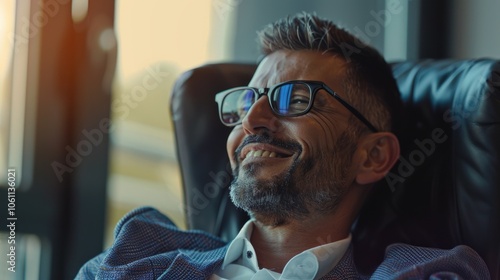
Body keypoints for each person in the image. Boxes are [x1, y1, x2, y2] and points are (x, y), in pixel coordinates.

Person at [76, 12, 490, 279]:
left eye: (294, 99)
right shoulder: (137, 255)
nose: (251, 121)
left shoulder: (426, 273)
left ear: (373, 156)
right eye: (245, 102)